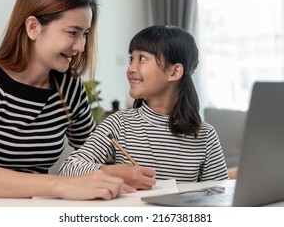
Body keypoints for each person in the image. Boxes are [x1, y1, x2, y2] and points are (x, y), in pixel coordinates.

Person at [0, 0, 133, 200]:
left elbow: (92, 154)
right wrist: (63, 185)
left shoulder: (69, 89)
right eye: (72, 33)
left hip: (23, 208)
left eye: (85, 34)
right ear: (33, 27)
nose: (81, 46)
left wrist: (118, 170)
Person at [59, 25, 229, 189]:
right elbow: (67, 170)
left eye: (142, 58)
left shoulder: (205, 136)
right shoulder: (118, 124)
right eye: (131, 58)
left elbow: (219, 194)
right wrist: (113, 173)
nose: (130, 68)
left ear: (174, 72)